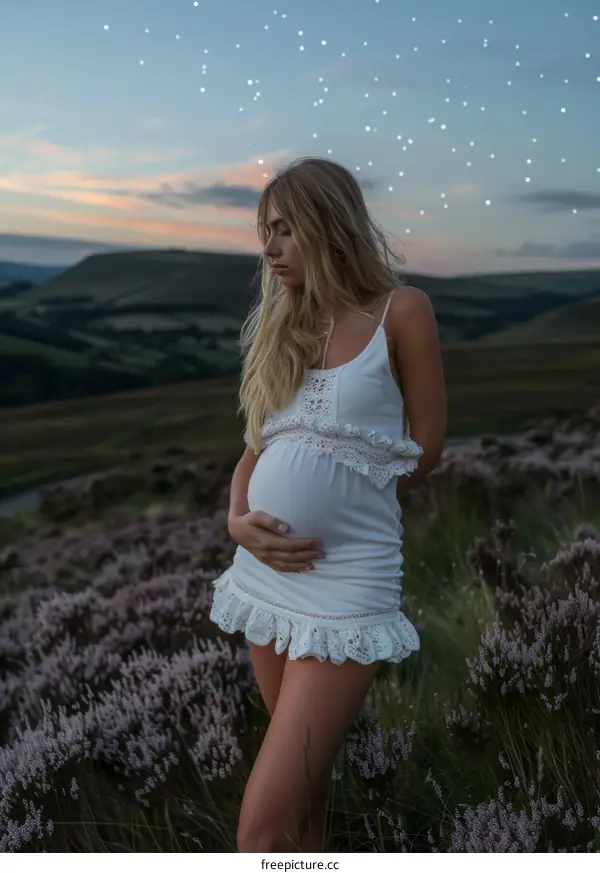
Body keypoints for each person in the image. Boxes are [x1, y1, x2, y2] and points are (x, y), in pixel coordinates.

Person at [210, 157, 446, 853]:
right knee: (303, 802)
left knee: (260, 830)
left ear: (329, 225)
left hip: (347, 581)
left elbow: (427, 447)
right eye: (265, 231)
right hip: (266, 574)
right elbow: (254, 449)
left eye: (285, 229)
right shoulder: (283, 324)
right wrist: (237, 520)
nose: (270, 247)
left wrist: (341, 493)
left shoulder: (401, 311)